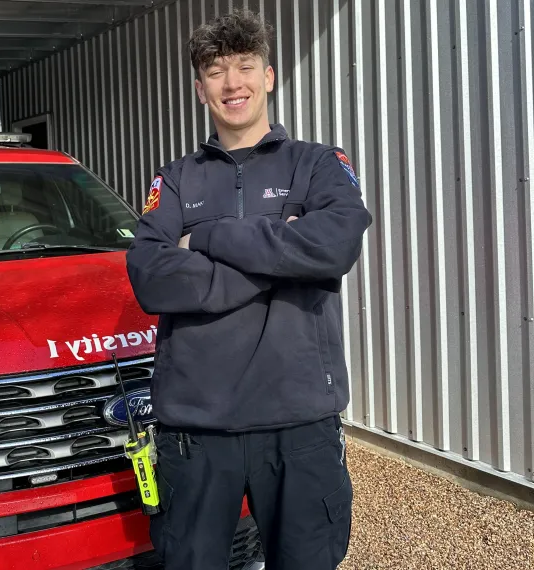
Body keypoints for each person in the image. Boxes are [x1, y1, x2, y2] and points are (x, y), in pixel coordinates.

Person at [125, 8, 372, 570]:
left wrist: (206, 237)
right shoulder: (176, 178)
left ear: (269, 75)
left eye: (244, 66)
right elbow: (150, 276)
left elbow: (334, 246)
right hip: (196, 426)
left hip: (298, 419)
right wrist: (281, 253)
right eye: (216, 71)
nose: (231, 83)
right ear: (199, 87)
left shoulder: (318, 164)